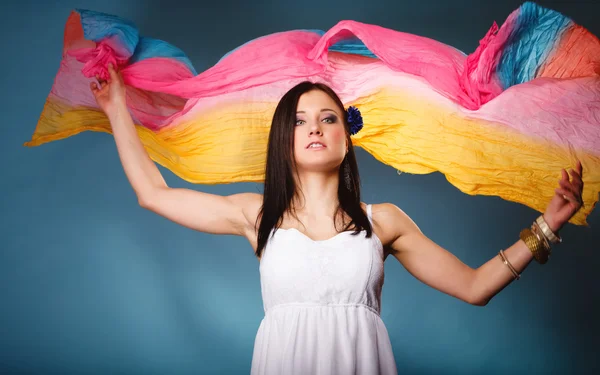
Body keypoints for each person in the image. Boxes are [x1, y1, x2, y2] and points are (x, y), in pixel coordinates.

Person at [90, 63, 584, 375]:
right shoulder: (256, 215)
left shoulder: (384, 222)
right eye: (300, 120)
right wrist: (115, 108)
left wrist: (547, 224)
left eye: (328, 118)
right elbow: (153, 193)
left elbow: (475, 286)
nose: (315, 128)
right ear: (284, 140)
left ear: (347, 137)